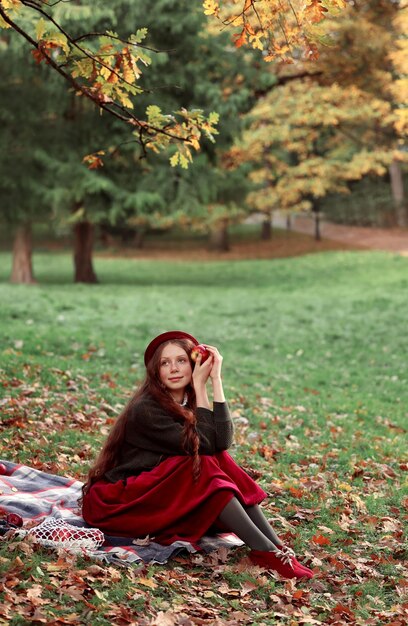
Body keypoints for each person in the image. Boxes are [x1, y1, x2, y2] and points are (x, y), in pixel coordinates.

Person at [81, 331, 314, 579]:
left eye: (181, 360)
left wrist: (216, 381)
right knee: (203, 463)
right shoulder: (146, 409)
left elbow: (221, 443)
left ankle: (276, 548)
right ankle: (264, 550)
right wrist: (200, 385)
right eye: (165, 363)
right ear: (155, 371)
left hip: (157, 491)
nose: (173, 369)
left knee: (218, 460)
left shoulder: (187, 400)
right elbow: (201, 446)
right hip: (120, 501)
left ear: (194, 364)